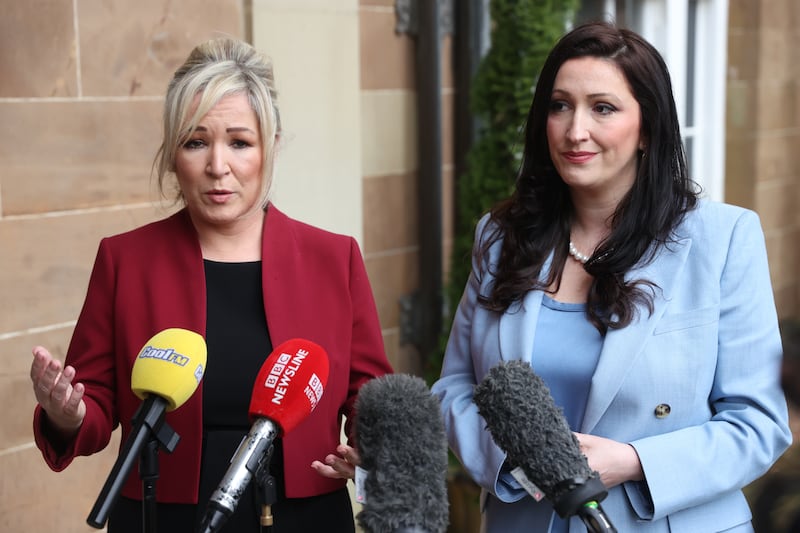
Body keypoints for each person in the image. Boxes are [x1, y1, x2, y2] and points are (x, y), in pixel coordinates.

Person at [431, 20, 792, 532]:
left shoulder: (721, 238)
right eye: (560, 106)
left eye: (603, 108)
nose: (575, 130)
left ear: (646, 128)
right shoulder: (501, 235)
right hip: (526, 518)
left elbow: (758, 425)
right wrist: (519, 462)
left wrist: (633, 461)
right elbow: (455, 386)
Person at [29, 37, 393, 533]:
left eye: (239, 142)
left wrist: (368, 451)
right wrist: (65, 413)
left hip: (303, 516)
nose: (217, 166)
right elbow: (93, 409)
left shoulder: (335, 258)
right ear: (173, 153)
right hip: (163, 516)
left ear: (271, 147)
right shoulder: (125, 260)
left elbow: (369, 397)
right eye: (196, 142)